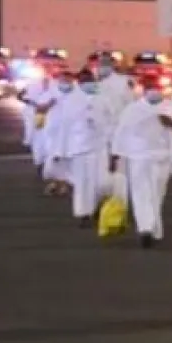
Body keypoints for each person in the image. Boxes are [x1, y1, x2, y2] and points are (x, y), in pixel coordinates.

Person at [111, 79, 172, 248]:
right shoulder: (133, 109)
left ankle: (153, 227)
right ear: (144, 90)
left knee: (156, 193)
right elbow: (120, 133)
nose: (153, 91)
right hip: (138, 157)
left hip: (161, 157)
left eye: (156, 88)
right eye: (150, 88)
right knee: (140, 193)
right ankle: (145, 229)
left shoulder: (171, 108)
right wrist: (115, 156)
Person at [44, 69, 113, 226]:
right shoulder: (70, 101)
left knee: (101, 181)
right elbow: (63, 128)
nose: (88, 83)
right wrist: (58, 151)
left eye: (90, 79)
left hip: (100, 147)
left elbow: (114, 122)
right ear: (79, 83)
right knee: (83, 183)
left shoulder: (104, 99)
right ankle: (84, 213)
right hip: (78, 148)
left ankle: (97, 206)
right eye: (84, 80)